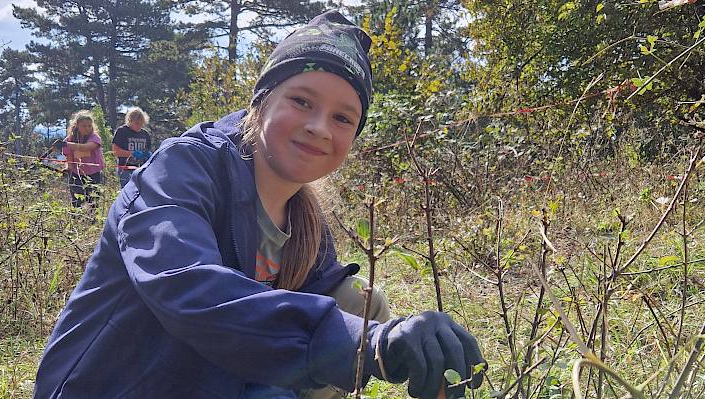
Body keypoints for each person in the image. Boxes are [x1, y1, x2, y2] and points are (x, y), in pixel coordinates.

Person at [34, 11, 485, 399]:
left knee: (360, 302)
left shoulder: (304, 218)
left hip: (212, 379)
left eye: (343, 117)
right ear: (261, 100)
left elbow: (336, 312)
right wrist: (373, 345)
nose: (319, 127)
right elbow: (187, 287)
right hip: (117, 383)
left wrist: (405, 340)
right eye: (302, 101)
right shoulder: (185, 168)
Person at [52, 110, 105, 209]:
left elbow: (86, 147)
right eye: (84, 126)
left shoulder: (94, 138)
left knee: (93, 201)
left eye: (89, 126)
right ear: (77, 125)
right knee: (77, 202)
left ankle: (92, 222)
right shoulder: (69, 140)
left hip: (94, 174)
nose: (87, 128)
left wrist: (66, 144)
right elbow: (70, 160)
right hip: (76, 175)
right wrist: (68, 168)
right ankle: (78, 221)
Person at [112, 107, 153, 187]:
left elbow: (147, 150)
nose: (139, 126)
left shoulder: (145, 134)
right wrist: (132, 153)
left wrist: (148, 155)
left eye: (142, 123)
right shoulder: (122, 131)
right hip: (125, 170)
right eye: (137, 123)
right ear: (130, 120)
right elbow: (115, 151)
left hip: (141, 170)